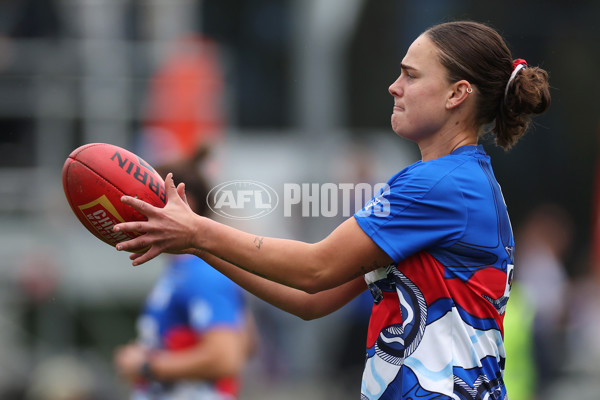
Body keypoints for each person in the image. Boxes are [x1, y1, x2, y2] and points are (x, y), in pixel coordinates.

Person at [113, 21, 551, 399]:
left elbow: (315, 269)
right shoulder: (453, 181)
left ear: (457, 93)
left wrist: (199, 233)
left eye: (410, 75)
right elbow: (313, 299)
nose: (394, 86)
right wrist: (195, 243)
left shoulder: (437, 185)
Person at [113, 152, 257, 400]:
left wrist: (146, 366)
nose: (139, 208)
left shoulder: (202, 272)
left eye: (147, 198)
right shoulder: (187, 269)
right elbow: (247, 341)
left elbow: (226, 357)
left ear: (184, 201)